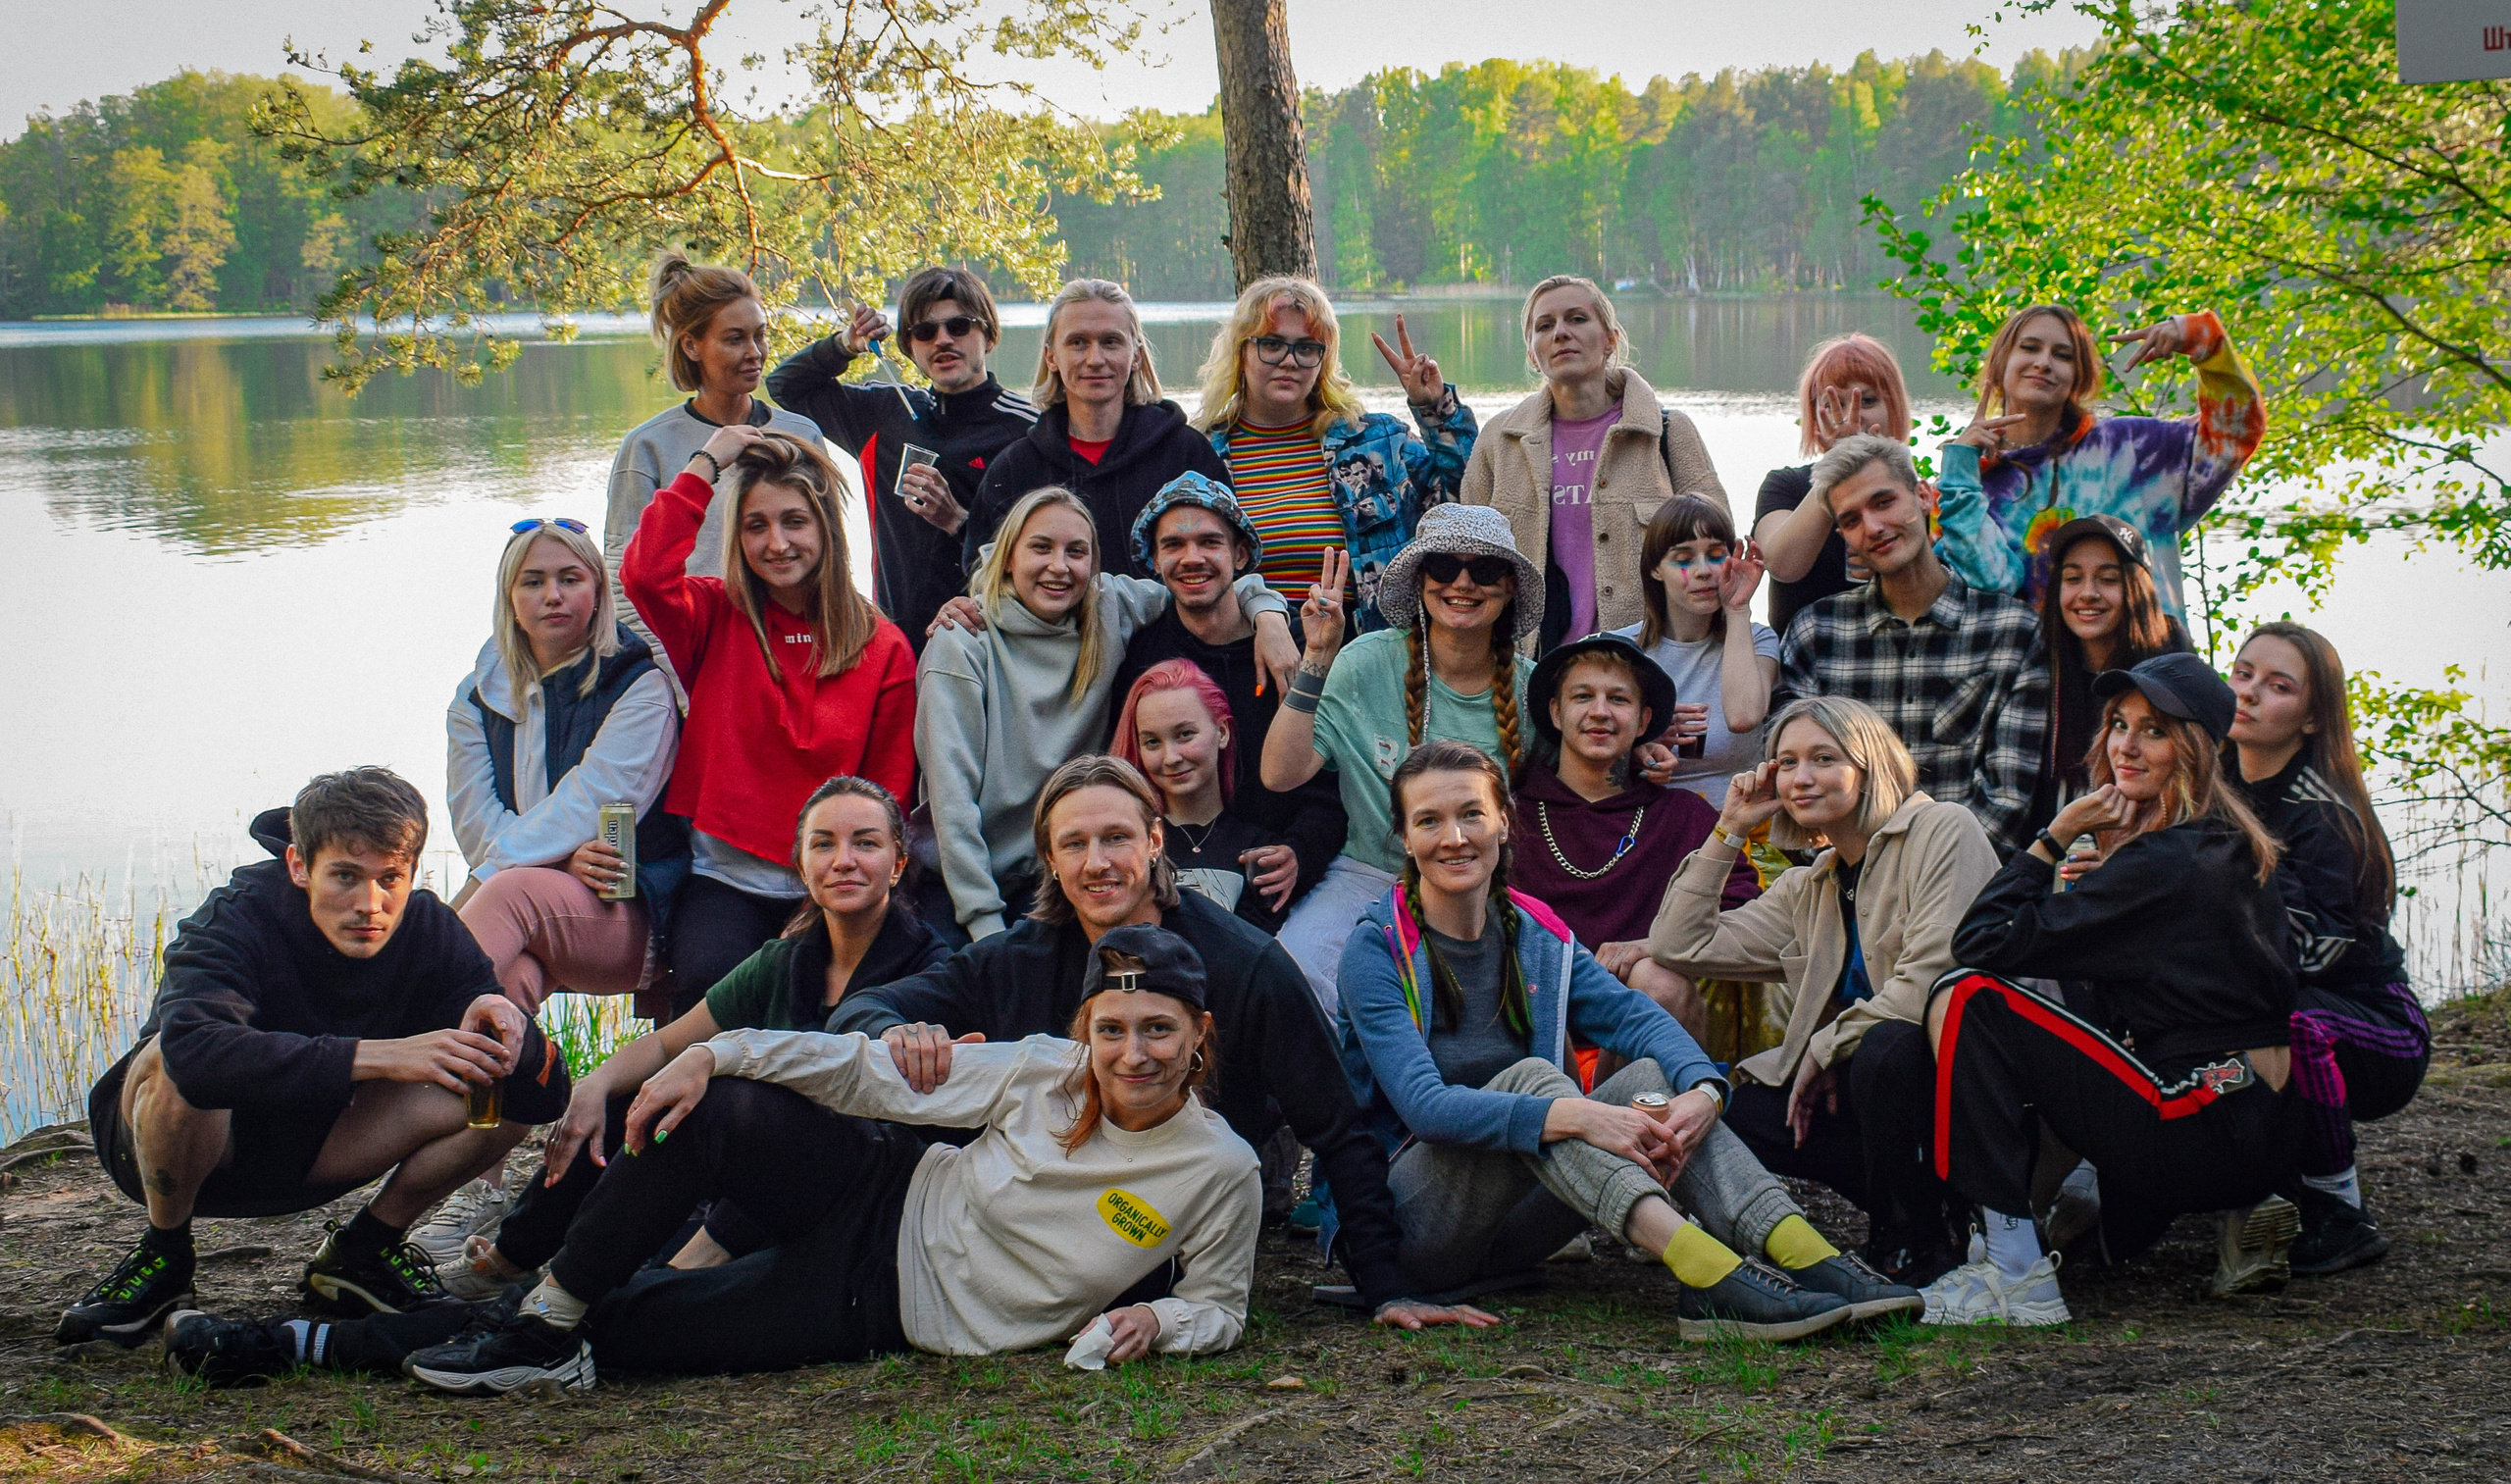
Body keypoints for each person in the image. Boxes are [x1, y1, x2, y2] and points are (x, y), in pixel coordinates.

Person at [177, 925, 1261, 1391]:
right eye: (1112, 1029)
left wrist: (1159, 1318)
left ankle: (288, 1342)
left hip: (882, 1303)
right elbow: (862, 1075)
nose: (1130, 1052)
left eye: (1157, 1031)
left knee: (629, 1327)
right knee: (716, 1107)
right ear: (1087, 1030)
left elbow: (1220, 1300)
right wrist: (717, 1053)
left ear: (1197, 1039)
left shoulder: (1219, 1170)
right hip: (884, 1193)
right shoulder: (1044, 1069)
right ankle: (545, 1311)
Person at [829, 755, 1496, 1333]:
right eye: (1075, 843)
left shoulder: (1245, 965)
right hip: (1010, 1224)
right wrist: (892, 1031)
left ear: (1154, 840)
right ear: (1051, 861)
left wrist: (1385, 1284)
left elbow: (1337, 1125)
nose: (1098, 863)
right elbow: (863, 1006)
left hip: (1153, 1242)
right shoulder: (1015, 959)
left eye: (1117, 837)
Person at [1336, 741, 1917, 1337]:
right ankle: (1709, 1274)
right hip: (1413, 1229)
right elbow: (1425, 1110)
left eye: (1471, 814)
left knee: (1651, 1084)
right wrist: (1576, 1115)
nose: (1454, 837)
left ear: (1503, 823)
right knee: (1540, 1086)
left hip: (1516, 1233)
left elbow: (1636, 1018)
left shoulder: (1534, 929)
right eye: (1429, 821)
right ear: (1405, 839)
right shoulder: (1378, 948)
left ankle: (1809, 1256)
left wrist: (1704, 1090)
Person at [56, 770, 570, 1348]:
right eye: (345, 877)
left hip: (314, 1152)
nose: (368, 905)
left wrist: (514, 1032)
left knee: (493, 1082)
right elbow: (197, 1056)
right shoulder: (238, 915)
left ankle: (361, 1255)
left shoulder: (430, 928)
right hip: (171, 1151)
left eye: (389, 879)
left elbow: (545, 1096)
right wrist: (379, 1057)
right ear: (300, 865)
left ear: (412, 874)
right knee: (172, 1061)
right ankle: (165, 1261)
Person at [436, 777, 949, 1302]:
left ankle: (588, 1288)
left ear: (899, 862)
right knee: (632, 1098)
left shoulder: (931, 967)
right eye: (824, 844)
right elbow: (665, 1045)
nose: (843, 860)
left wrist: (709, 1243)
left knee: (712, 1110)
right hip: (746, 1173)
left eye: (865, 843)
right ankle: (509, 1260)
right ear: (801, 865)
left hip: (847, 1192)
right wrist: (596, 1084)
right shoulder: (787, 959)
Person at [1922, 653, 2301, 1326]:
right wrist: (2089, 888)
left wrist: (2051, 840)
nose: (2126, 744)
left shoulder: (2162, 862)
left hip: (2197, 1119)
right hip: (2255, 1131)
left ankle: (2014, 1270)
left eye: (2153, 729)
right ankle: (2035, 1225)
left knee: (1970, 996)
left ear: (2192, 748)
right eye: (2119, 724)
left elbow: (1980, 942)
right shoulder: (2231, 844)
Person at [1644, 697, 1998, 1285]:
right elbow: (1680, 944)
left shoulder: (1941, 829)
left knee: (1887, 1047)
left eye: (1823, 758)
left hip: (1963, 1092)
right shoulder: (1813, 882)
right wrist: (1730, 827)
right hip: (1869, 1097)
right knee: (1733, 1112)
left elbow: (1935, 985)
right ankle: (1920, 1219)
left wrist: (1824, 1044)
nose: (1800, 777)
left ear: (1870, 766)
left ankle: (1917, 1243)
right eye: (1785, 762)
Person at [621, 424, 917, 1010]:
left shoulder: (883, 648)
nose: (777, 543)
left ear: (827, 530)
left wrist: (827, 900)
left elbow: (888, 794)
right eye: (757, 525)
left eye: (794, 522)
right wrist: (707, 462)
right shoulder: (712, 614)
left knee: (821, 1015)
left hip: (836, 888)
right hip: (723, 878)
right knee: (709, 996)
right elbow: (644, 574)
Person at [917, 485, 1293, 944]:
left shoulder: (1108, 608)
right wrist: (985, 926)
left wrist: (1269, 616)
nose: (1059, 567)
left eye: (1076, 552)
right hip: (973, 888)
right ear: (1008, 556)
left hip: (1071, 875)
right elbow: (952, 805)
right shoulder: (961, 641)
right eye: (1041, 547)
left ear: (1093, 566)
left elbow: (1210, 585)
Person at [1261, 504, 1540, 1012]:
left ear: (1510, 586)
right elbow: (1280, 774)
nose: (1462, 583)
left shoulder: (1530, 687)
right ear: (1418, 580)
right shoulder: (1366, 660)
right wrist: (1318, 656)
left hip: (1474, 882)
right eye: (1442, 567)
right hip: (1368, 874)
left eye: (1483, 569)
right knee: (1289, 979)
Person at [2229, 623, 2429, 1275]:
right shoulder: (2216, 781)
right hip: (2303, 1003)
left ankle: (2340, 1208)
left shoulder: (2323, 814)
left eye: (2278, 685)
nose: (2251, 693)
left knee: (2292, 1020)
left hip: (2378, 1026)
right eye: (2244, 672)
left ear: (2312, 717)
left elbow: (2314, 955)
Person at [446, 516, 685, 1016]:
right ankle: (483, 1089)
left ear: (597, 592)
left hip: (632, 911)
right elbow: (474, 825)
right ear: (509, 600)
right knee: (500, 991)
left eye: (570, 579)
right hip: (524, 902)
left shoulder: (640, 689)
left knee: (509, 894)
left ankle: (386, 1030)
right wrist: (557, 861)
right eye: (533, 582)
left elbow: (590, 804)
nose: (552, 594)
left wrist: (518, 869)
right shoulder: (474, 696)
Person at [1778, 434, 2048, 856]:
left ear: (1924, 496)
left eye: (1884, 502)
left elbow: (2008, 802)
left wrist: (1923, 880)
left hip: (1971, 888)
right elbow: (1802, 793)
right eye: (1852, 520)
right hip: (1848, 888)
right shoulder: (1817, 634)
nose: (1873, 527)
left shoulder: (2012, 633)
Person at [1933, 303, 2265, 621]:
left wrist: (2201, 338)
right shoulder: (1965, 483)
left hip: (2145, 669)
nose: (2044, 363)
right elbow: (1969, 593)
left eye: (2063, 355)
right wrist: (1960, 466)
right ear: (2000, 363)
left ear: (2080, 377)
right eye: (2030, 348)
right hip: (2028, 676)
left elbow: (2232, 435)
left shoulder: (2135, 449)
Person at [764, 266, 1039, 649]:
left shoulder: (1028, 429)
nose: (942, 340)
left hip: (990, 643)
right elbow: (785, 387)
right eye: (925, 332)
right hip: (895, 643)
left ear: (989, 335)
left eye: (959, 326)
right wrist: (845, 345)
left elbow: (1046, 553)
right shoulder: (885, 412)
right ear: (909, 347)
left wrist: (957, 520)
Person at [1107, 476, 1347, 909]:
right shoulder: (1144, 654)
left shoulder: (1296, 645)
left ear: (1239, 555)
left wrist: (1301, 851)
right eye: (1174, 546)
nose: (1192, 559)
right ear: (1155, 560)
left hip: (1285, 867)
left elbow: (1333, 779)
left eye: (1209, 542)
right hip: (1176, 871)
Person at [1191, 276, 1477, 632]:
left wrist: (1434, 409)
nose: (1289, 361)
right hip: (1245, 652)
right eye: (1272, 344)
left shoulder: (1377, 442)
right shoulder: (1200, 454)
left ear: (1323, 360)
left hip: (1363, 652)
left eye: (1307, 348)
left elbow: (1465, 503)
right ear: (1241, 352)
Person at [1460, 275, 1728, 652]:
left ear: (1610, 340)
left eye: (1577, 319)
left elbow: (1720, 552)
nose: (1561, 333)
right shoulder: (1500, 440)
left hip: (1647, 663)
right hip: (1528, 670)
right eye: (1545, 325)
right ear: (1532, 355)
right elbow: (1467, 559)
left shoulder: (1667, 433)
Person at [1510, 633, 1757, 1040]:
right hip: (1535, 1024)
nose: (1600, 712)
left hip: (1644, 1033)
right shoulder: (1509, 817)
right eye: (1583, 696)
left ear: (1644, 720)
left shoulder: (1683, 816)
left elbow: (1744, 911)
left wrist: (1655, 945)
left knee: (1659, 980)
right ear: (1555, 713)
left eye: (1619, 699)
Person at [603, 253, 824, 693]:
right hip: (694, 672)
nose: (755, 352)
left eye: (760, 335)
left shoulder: (801, 434)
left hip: (793, 671)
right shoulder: (647, 446)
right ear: (691, 345)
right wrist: (684, 682)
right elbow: (622, 583)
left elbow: (827, 559)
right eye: (734, 339)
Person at [960, 279, 1230, 575]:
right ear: (1051, 357)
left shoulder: (1186, 456)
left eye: (1111, 342)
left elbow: (1227, 559)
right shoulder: (1016, 468)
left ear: (1136, 355)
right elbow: (983, 572)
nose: (1095, 359)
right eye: (1077, 343)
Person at [2027, 513, 2188, 833]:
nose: (2088, 593)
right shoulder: (2040, 663)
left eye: (2108, 579)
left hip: (2148, 848)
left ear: (2136, 587)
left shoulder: (2171, 658)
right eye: (2073, 579)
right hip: (2051, 849)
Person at [1112, 659, 1294, 934]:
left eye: (1185, 735)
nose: (1170, 757)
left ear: (1222, 733)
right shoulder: (1129, 848)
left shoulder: (1261, 851)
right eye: (1152, 742)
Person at [1618, 494, 1780, 801]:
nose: (1703, 570)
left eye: (1716, 555)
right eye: (1683, 558)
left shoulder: (1757, 639)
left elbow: (1743, 717)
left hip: (1738, 825)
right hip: (1645, 824)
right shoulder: (1618, 650)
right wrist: (1637, 744)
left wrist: (1737, 609)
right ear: (1655, 569)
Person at [1753, 333, 1918, 636]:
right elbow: (1781, 565)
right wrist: (1837, 469)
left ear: (1893, 408)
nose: (1850, 416)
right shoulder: (1786, 484)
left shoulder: (1917, 494)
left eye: (1867, 401)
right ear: (1814, 415)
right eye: (1833, 404)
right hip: (1805, 666)